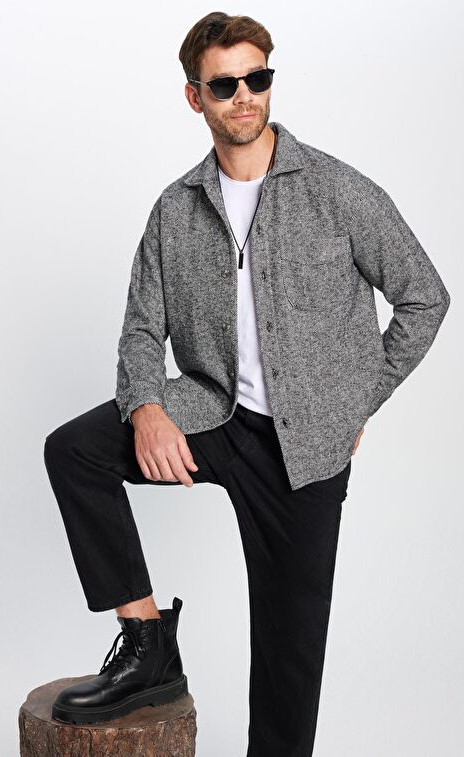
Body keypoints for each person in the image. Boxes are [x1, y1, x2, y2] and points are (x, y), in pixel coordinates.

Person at [43, 11, 450, 756]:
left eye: (256, 78)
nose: (243, 96)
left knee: (288, 655)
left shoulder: (336, 190)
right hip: (212, 415)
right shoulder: (176, 209)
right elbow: (142, 329)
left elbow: (424, 297)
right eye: (224, 83)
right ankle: (148, 644)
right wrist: (147, 406)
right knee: (74, 451)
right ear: (194, 96)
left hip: (304, 451)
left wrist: (354, 398)